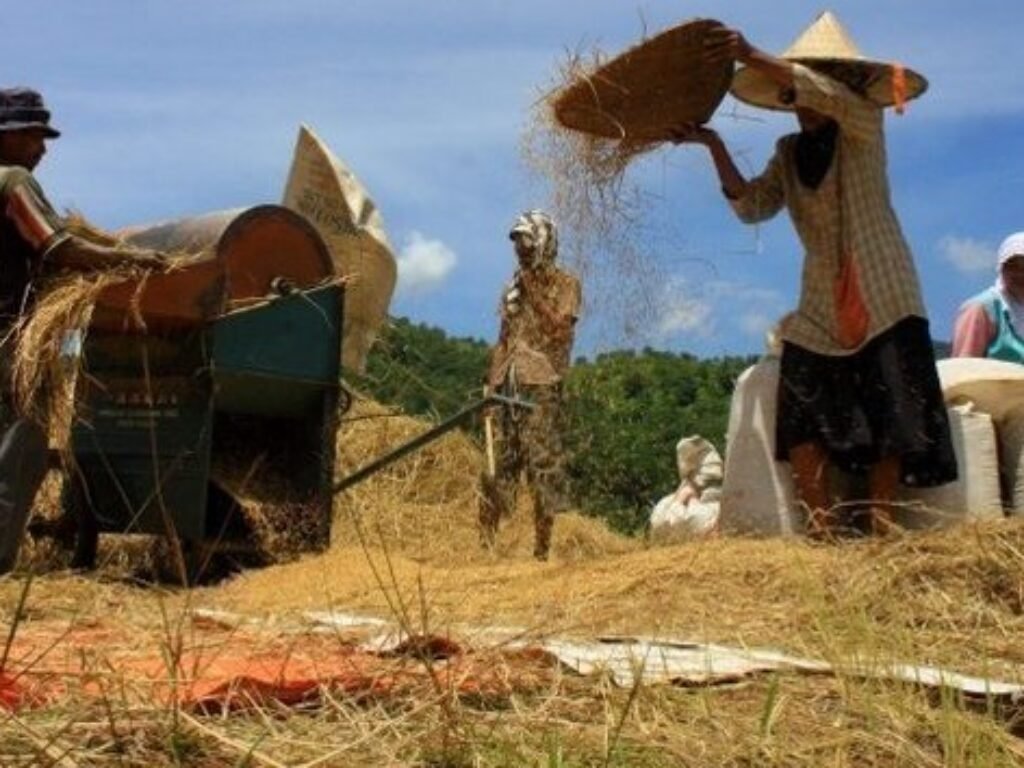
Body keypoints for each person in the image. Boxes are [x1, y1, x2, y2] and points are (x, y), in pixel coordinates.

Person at [670, 12, 956, 537]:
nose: (802, 100)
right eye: (794, 90)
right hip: (824, 295)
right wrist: (713, 146)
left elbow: (827, 95)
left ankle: (882, 523)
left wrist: (752, 54)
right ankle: (821, 525)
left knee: (893, 403)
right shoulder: (788, 152)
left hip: (882, 285)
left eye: (808, 84)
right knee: (801, 391)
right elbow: (754, 205)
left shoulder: (863, 123)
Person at [0, 87, 164, 573]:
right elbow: (59, 249)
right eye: (33, 135)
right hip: (8, 339)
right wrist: (131, 259)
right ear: (6, 136)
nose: (42, 148)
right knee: (19, 447)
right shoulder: (12, 182)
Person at [479, 210, 581, 560]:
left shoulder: (566, 284)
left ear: (543, 242)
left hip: (542, 386)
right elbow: (503, 341)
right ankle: (486, 550)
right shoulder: (511, 291)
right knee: (496, 469)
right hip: (508, 387)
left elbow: (560, 332)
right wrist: (491, 389)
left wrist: (532, 291)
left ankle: (541, 553)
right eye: (516, 245)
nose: (519, 251)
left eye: (525, 243)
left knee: (542, 469)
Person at [952, 232, 1024, 363]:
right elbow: (964, 366)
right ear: (1001, 268)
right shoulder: (980, 309)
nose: (1020, 274)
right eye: (1012, 266)